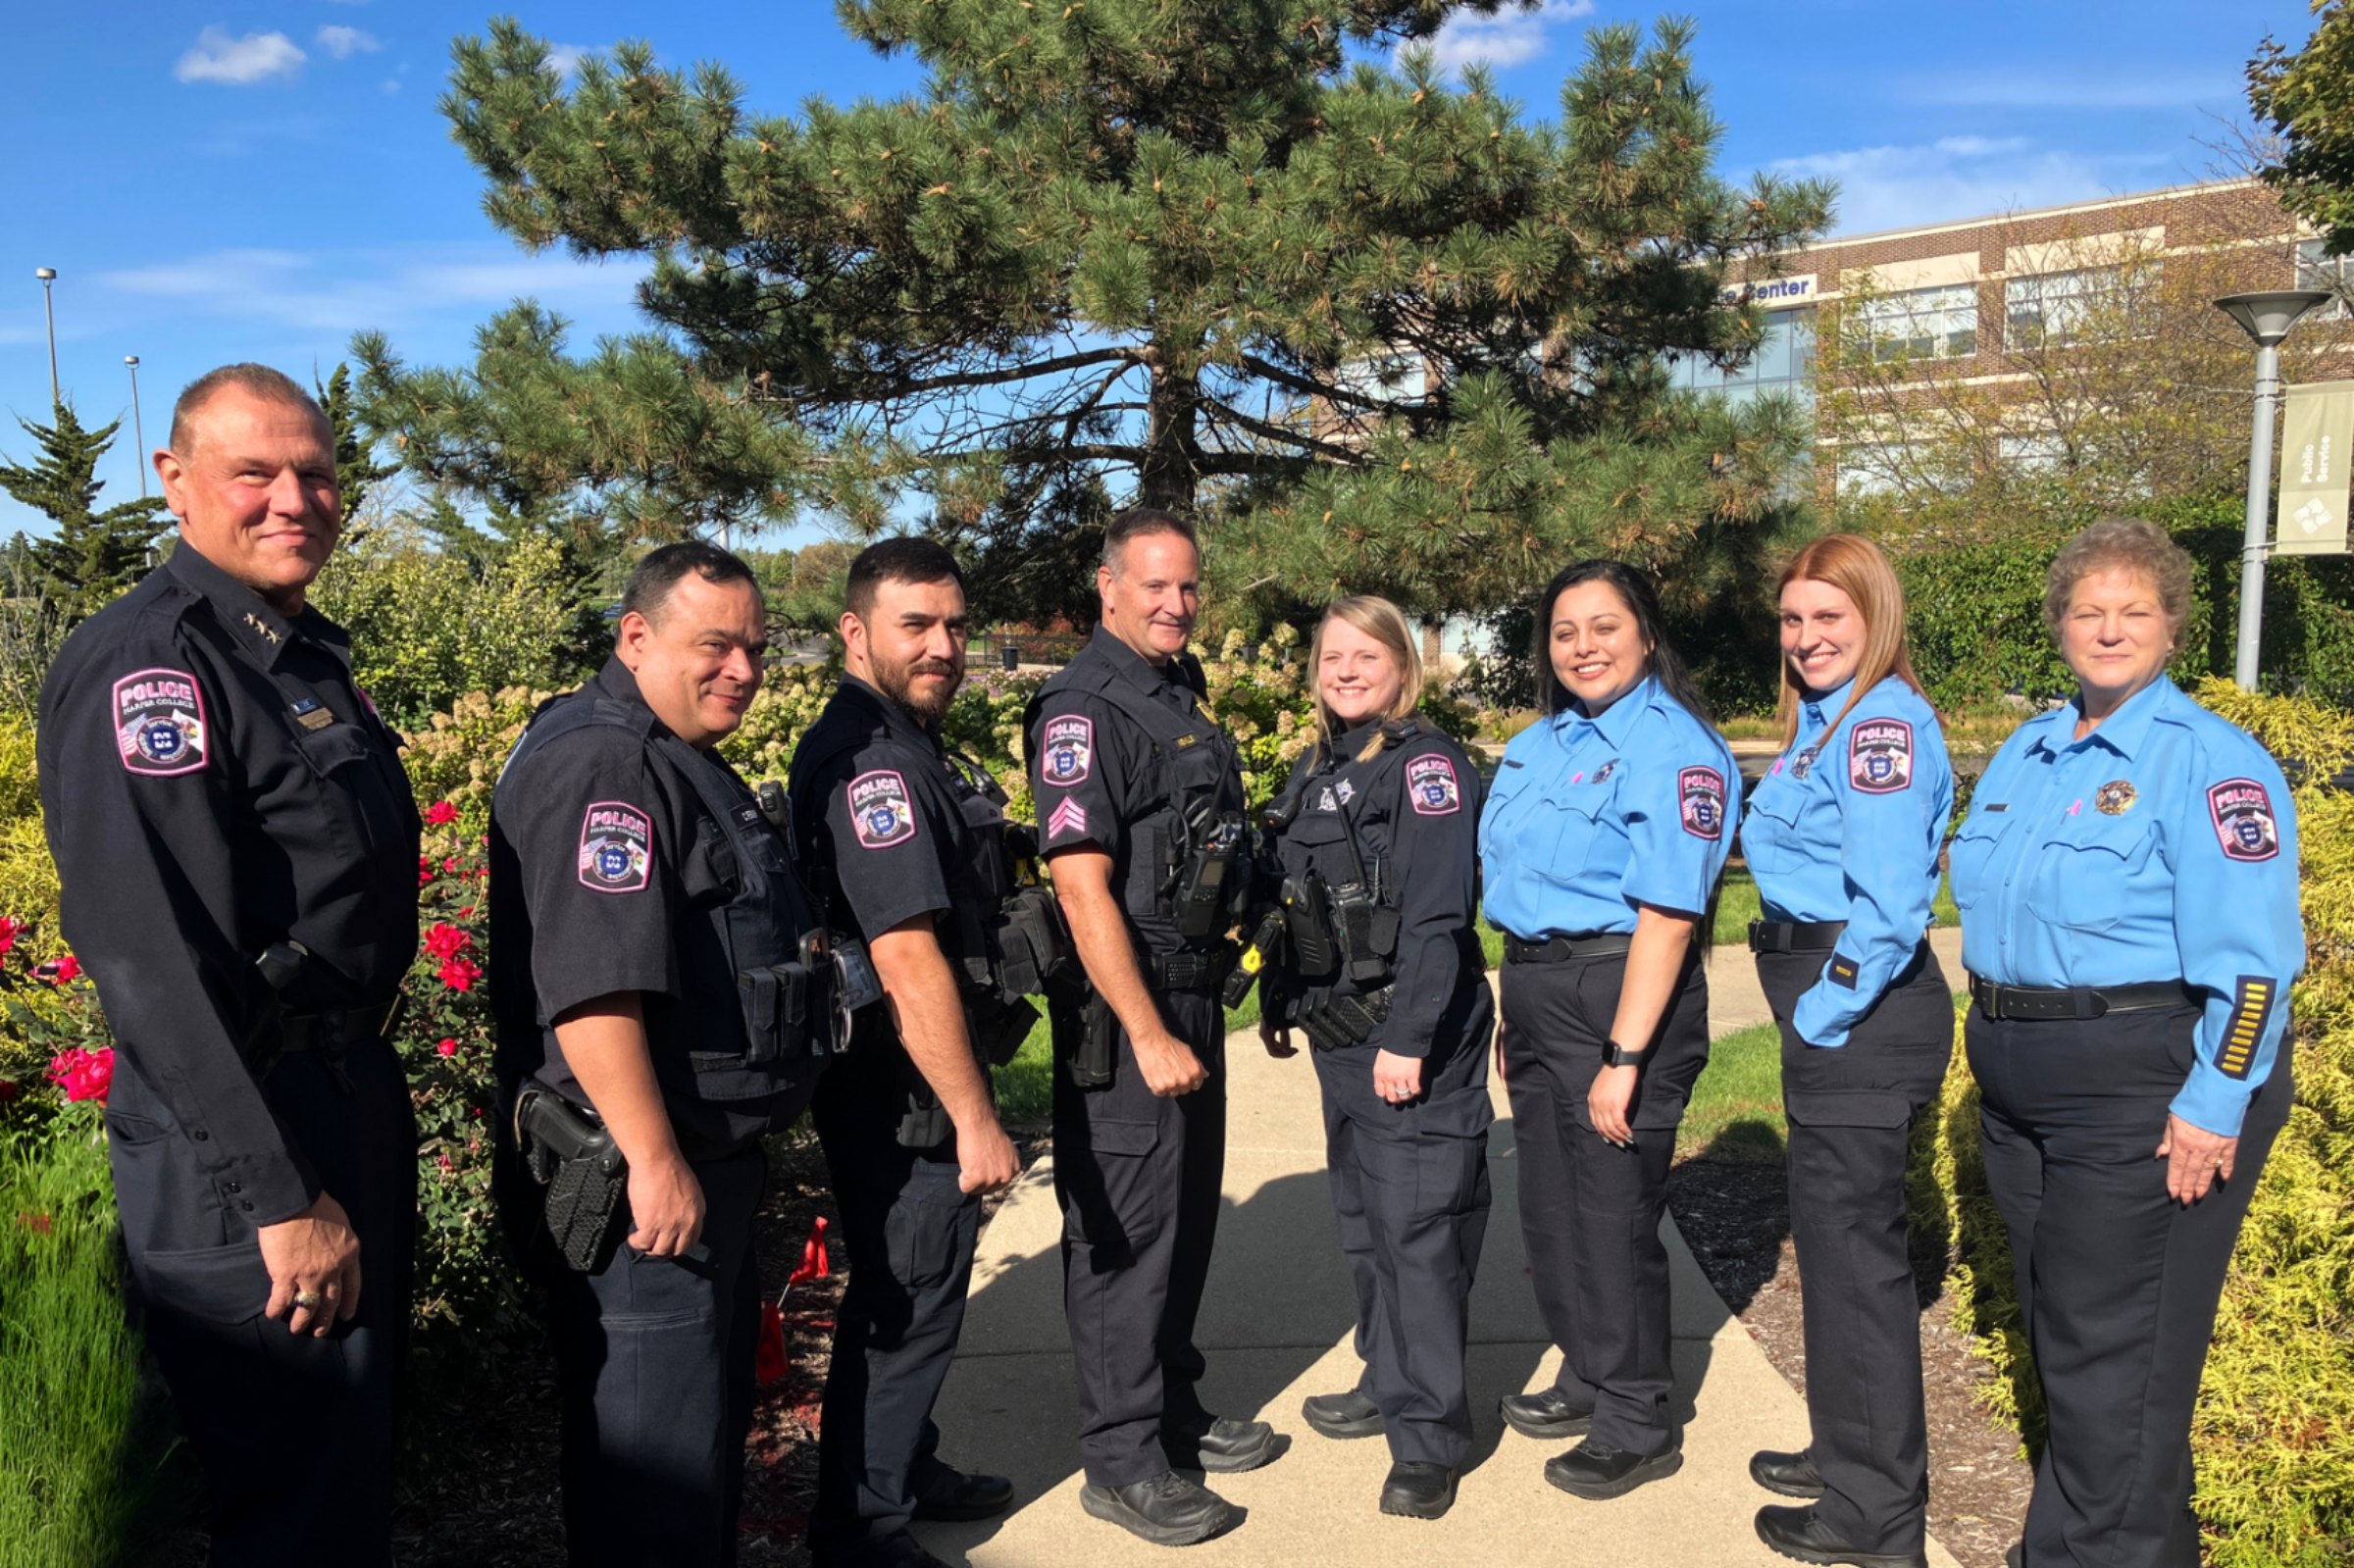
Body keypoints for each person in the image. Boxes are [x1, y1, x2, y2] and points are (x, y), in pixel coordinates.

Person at [37, 364, 423, 1564]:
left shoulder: (291, 654)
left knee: (343, 1477)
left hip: (337, 1098)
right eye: (254, 472)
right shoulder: (151, 665)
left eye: (313, 472)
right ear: (176, 482)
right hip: (249, 1149)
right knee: (293, 1503)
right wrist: (280, 1199)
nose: (292, 498)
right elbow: (152, 966)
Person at [1949, 518, 2303, 1568]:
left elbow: (2254, 968)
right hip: (2022, 1080)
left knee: (2122, 1357)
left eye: (2133, 611)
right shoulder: (2032, 748)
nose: (2109, 629)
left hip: (2142, 1081)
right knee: (2071, 1339)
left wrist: (2214, 1099)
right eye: (2088, 610)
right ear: (2060, 624)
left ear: (2172, 628)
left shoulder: (2210, 764)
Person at [489, 541, 828, 1568]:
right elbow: (595, 987)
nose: (743, 669)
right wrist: (653, 1161)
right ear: (636, 637)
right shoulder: (610, 760)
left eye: (757, 649)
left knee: (692, 1459)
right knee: (657, 1487)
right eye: (714, 645)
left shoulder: (669, 750)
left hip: (690, 1171)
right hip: (646, 1192)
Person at [788, 539, 1046, 1568]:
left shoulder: (907, 741)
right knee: (907, 1300)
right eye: (915, 626)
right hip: (906, 1091)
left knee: (922, 1295)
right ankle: (862, 1525)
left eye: (954, 625)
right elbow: (902, 950)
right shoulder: (877, 765)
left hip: (912, 1077)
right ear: (856, 633)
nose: (943, 646)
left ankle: (905, 1465)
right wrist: (977, 1117)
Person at [1027, 507, 1277, 1547]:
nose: (1176, 604)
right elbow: (1081, 887)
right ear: (1109, 587)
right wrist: (1144, 1029)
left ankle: (1170, 1405)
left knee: (1184, 1222)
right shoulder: (1082, 708)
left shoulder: (1176, 691)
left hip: (1187, 995)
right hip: (1128, 1010)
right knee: (1125, 1235)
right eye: (1155, 586)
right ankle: (1121, 1460)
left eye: (1188, 587)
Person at [1479, 558, 1736, 1500]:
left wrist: (1623, 1056)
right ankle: (1588, 1369)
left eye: (1604, 627)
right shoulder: (1538, 745)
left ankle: (1637, 1414)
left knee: (1612, 1213)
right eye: (1564, 632)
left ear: (1649, 634)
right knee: (1550, 1209)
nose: (1583, 647)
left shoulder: (1676, 749)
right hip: (1541, 989)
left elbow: (1669, 917)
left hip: (1624, 992)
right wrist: (1520, 1007)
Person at [1736, 534, 1954, 1568]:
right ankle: (1845, 1450)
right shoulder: (1824, 724)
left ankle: (1874, 1521)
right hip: (1835, 1009)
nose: (1808, 637)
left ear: (1876, 619)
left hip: (1856, 1012)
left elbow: (1891, 910)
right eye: (1793, 619)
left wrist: (1820, 1015)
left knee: (1857, 1261)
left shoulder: (1880, 730)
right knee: (1829, 1245)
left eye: (1831, 617)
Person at [1257, 595, 1494, 1521]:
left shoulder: (1425, 766)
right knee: (1365, 1223)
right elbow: (1297, 902)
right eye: (1331, 656)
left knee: (1421, 1234)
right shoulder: (1320, 766)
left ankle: (1429, 1437)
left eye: (1366, 655)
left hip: (1406, 1037)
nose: (1346, 670)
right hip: (1340, 1035)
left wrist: (1409, 1038)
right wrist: (1283, 1002)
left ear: (1404, 664)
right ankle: (1387, 1372)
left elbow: (1439, 917)